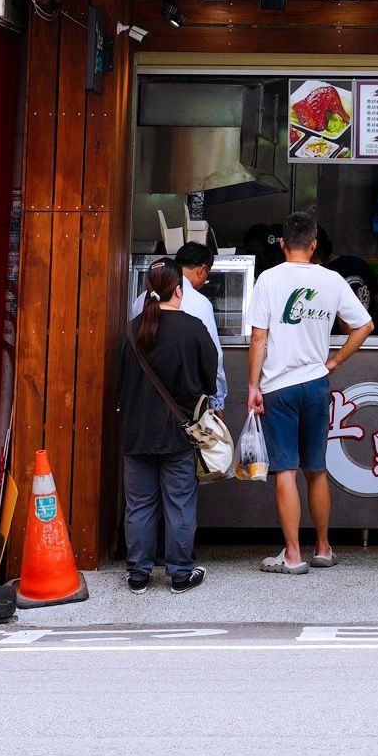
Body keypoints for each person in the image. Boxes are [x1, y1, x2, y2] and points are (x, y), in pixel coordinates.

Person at [246, 209, 374, 575]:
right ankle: (322, 548)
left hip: (278, 387)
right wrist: (334, 363)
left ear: (282, 244)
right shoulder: (331, 280)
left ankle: (292, 555)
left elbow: (259, 336)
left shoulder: (268, 279)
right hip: (316, 384)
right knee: (316, 469)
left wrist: (253, 385)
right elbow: (364, 325)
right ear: (315, 244)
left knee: (286, 469)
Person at [116, 258, 217, 593]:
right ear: (179, 289)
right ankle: (180, 573)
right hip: (179, 432)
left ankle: (138, 574)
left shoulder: (130, 330)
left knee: (140, 504)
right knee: (179, 503)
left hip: (135, 432)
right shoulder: (193, 328)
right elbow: (209, 382)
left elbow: (119, 382)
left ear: (149, 290)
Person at [175, 242, 228, 409]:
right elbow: (214, 356)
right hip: (188, 394)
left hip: (147, 392)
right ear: (202, 270)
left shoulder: (142, 298)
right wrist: (217, 401)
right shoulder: (200, 303)